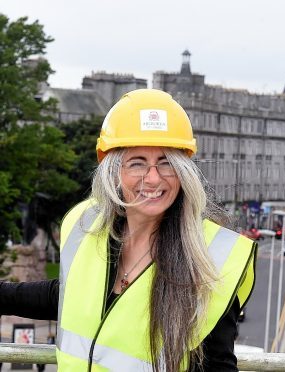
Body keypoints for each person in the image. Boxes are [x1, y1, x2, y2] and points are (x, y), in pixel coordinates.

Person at [0, 89, 257, 371]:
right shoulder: (86, 225)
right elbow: (70, 296)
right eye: (137, 163)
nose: (153, 178)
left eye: (166, 163)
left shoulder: (213, 257)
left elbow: (217, 363)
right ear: (113, 171)